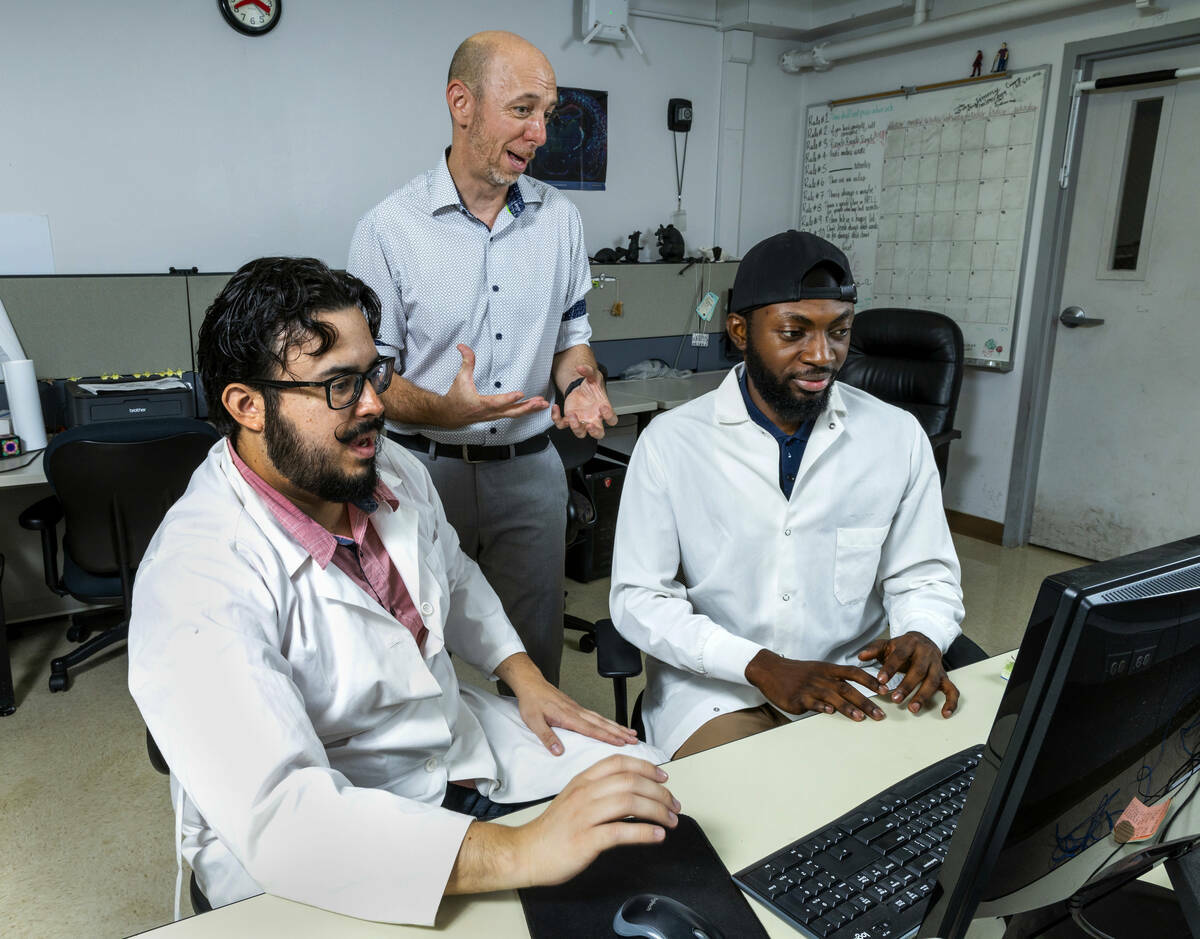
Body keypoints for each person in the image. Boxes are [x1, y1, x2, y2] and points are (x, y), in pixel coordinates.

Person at [127, 258, 673, 925]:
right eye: (339, 385)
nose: (375, 405)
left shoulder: (385, 468)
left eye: (374, 373)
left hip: (449, 749)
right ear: (247, 405)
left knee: (648, 788)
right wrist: (520, 850)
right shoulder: (196, 574)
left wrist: (523, 672)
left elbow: (455, 574)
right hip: (318, 830)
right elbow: (287, 820)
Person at [608, 231, 965, 760]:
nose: (822, 355)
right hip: (720, 687)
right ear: (739, 331)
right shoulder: (672, 443)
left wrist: (923, 631)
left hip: (851, 678)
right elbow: (639, 597)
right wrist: (758, 664)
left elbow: (925, 574)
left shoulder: (896, 436)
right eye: (794, 332)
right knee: (747, 810)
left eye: (840, 332)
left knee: (914, 797)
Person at [348, 31, 616, 689]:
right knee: (417, 652)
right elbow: (372, 374)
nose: (541, 132)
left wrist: (581, 382)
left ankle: (536, 786)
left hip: (530, 473)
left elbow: (571, 338)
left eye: (548, 113)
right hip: (420, 470)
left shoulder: (562, 222)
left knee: (533, 661)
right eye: (523, 109)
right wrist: (445, 408)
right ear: (461, 103)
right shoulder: (388, 229)